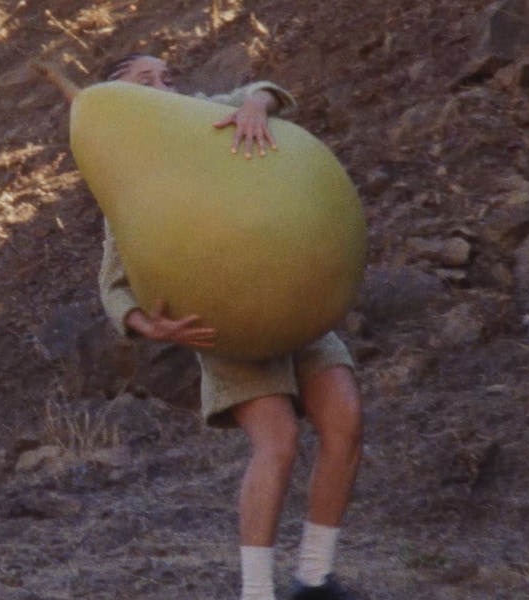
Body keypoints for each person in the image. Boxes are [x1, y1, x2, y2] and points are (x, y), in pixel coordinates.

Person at [94, 55, 365, 600]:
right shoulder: (135, 179)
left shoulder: (207, 115)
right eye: (144, 81)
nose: (162, 86)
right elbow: (114, 287)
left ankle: (315, 577)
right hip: (225, 328)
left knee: (346, 423)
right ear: (117, 99)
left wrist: (255, 106)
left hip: (300, 305)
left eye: (165, 77)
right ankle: (256, 592)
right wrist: (155, 328)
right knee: (279, 443)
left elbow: (268, 89)